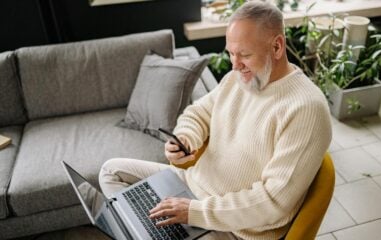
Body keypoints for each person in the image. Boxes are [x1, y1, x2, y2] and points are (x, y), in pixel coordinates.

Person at [99, 1, 332, 239]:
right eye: (231, 53)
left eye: (245, 54)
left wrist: (194, 211)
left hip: (235, 228)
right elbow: (198, 112)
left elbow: (272, 202)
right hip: (191, 186)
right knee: (112, 171)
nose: (235, 64)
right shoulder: (237, 79)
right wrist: (186, 138)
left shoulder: (306, 109)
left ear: (277, 46)